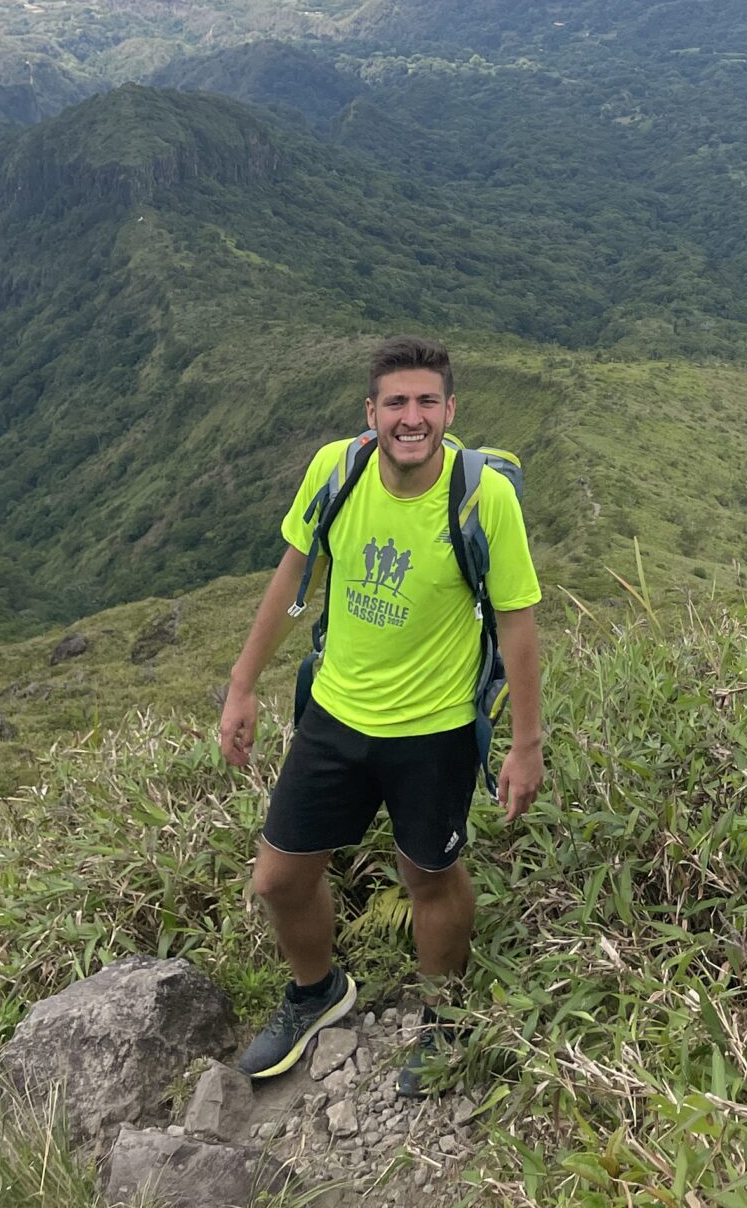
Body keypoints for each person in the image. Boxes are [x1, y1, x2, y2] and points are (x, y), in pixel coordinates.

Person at [218, 335, 543, 1093]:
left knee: (429, 874)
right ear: (371, 413)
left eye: (427, 401)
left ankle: (441, 1015)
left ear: (450, 410)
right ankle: (318, 993)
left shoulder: (480, 497)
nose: (411, 417)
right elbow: (291, 572)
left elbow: (519, 622)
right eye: (396, 402)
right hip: (335, 714)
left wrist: (525, 744)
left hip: (433, 729)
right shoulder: (338, 470)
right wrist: (241, 684)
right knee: (278, 879)